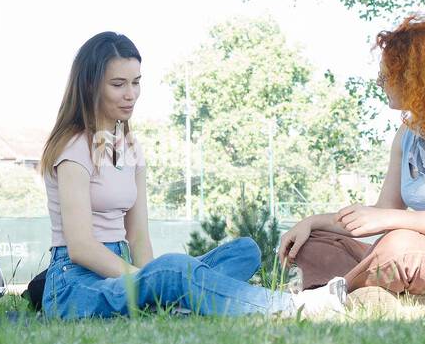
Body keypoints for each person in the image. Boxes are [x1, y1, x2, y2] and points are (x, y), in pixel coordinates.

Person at [40, 31, 346, 319]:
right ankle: (294, 306)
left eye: (136, 82)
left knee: (244, 252)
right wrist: (151, 279)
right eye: (118, 84)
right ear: (91, 86)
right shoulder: (74, 147)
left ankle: (173, 302)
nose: (130, 94)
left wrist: (153, 283)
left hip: (125, 272)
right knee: (172, 272)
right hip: (75, 284)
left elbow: (138, 236)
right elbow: (81, 248)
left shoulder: (130, 147)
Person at [278, 14, 425, 312]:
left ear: (417, 79)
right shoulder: (407, 133)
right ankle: (387, 296)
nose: (380, 83)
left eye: (387, 76)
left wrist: (387, 221)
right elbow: (384, 209)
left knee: (399, 244)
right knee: (315, 244)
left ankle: (324, 301)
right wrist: (311, 222)